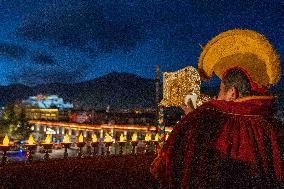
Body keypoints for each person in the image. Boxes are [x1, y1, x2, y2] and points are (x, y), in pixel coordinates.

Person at [150, 29, 284, 188]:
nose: (216, 98)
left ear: (232, 93)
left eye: (219, 91)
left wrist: (193, 117)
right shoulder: (274, 127)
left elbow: (170, 158)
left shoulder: (211, 116)